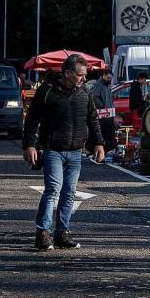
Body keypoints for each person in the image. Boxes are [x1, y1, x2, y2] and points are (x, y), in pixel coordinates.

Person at [23, 54, 105, 251]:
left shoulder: (84, 92)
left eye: (85, 75)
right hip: (53, 150)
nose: (83, 78)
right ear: (67, 73)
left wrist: (99, 144)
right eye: (80, 75)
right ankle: (42, 233)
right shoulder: (48, 90)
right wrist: (30, 145)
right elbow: (32, 119)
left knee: (69, 193)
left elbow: (92, 119)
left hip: (75, 151)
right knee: (52, 190)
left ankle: (62, 233)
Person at [85, 68, 117, 152]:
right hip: (102, 113)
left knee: (109, 132)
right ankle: (96, 149)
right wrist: (103, 106)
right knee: (103, 132)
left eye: (110, 78)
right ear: (103, 75)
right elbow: (94, 98)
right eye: (108, 78)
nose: (109, 80)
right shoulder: (98, 85)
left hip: (109, 113)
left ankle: (107, 149)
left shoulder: (107, 85)